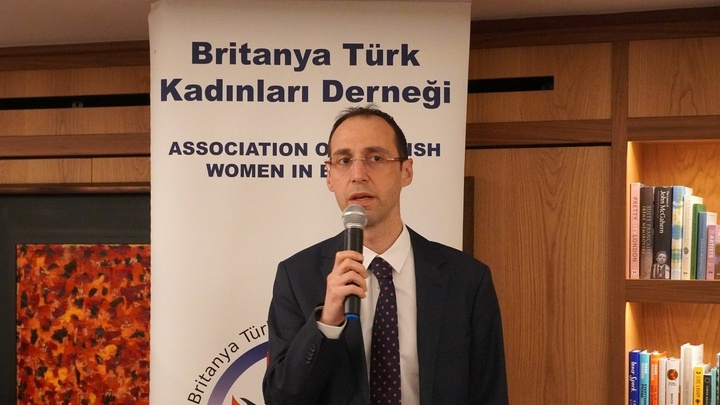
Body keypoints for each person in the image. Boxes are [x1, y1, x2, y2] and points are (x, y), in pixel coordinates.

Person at [262, 105, 508, 404]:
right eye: (344, 160)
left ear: (406, 171)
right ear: (329, 176)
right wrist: (326, 322)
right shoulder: (297, 276)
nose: (358, 175)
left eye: (375, 158)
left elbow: (489, 393)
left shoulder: (467, 279)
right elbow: (281, 398)